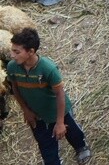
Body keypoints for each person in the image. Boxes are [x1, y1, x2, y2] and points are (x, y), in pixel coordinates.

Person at [6, 27, 93, 165]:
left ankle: (80, 146)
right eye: (12, 50)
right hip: (36, 115)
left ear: (31, 52)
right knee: (45, 145)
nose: (12, 55)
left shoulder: (48, 69)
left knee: (71, 132)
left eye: (17, 52)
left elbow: (60, 94)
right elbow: (15, 89)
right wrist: (26, 110)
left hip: (58, 111)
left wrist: (59, 122)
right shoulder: (12, 67)